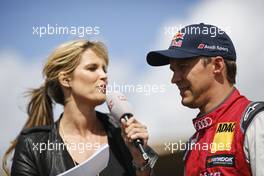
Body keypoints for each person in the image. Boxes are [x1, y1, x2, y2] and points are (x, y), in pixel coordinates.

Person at [2, 39, 157, 176]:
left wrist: (140, 161)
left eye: (104, 69)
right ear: (65, 79)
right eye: (92, 68)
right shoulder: (32, 145)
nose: (103, 75)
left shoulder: (123, 133)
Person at [146, 23, 264, 175]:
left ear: (217, 65)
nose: (174, 79)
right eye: (173, 70)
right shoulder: (194, 143)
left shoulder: (255, 122)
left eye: (183, 67)